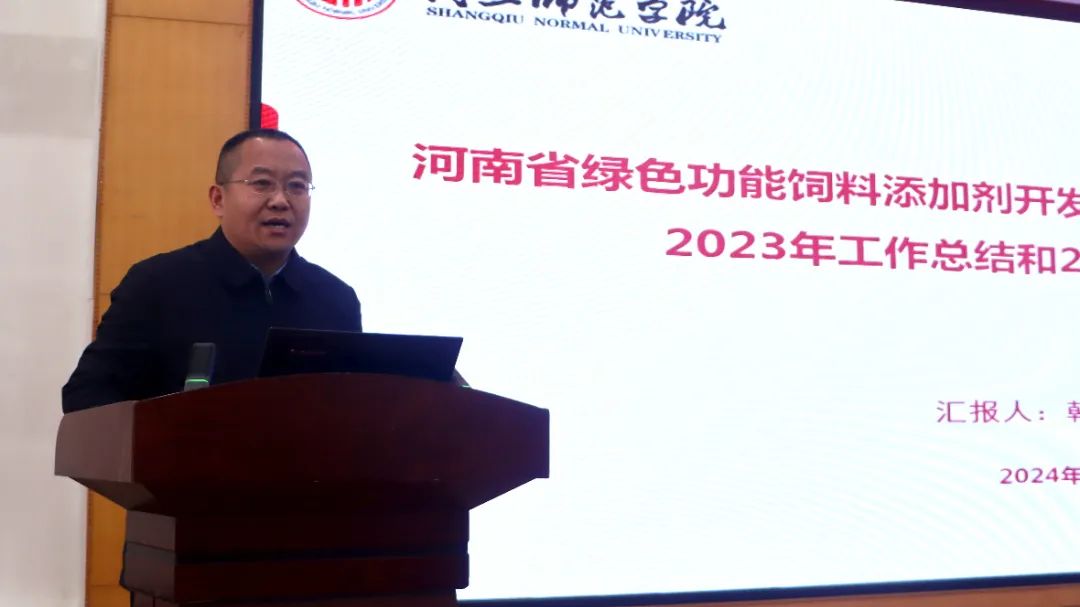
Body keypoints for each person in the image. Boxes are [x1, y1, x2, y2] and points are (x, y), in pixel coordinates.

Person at [61, 129, 361, 413]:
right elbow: (87, 397)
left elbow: (351, 408)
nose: (281, 201)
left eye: (297, 186)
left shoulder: (335, 299)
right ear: (218, 199)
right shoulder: (156, 285)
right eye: (262, 183)